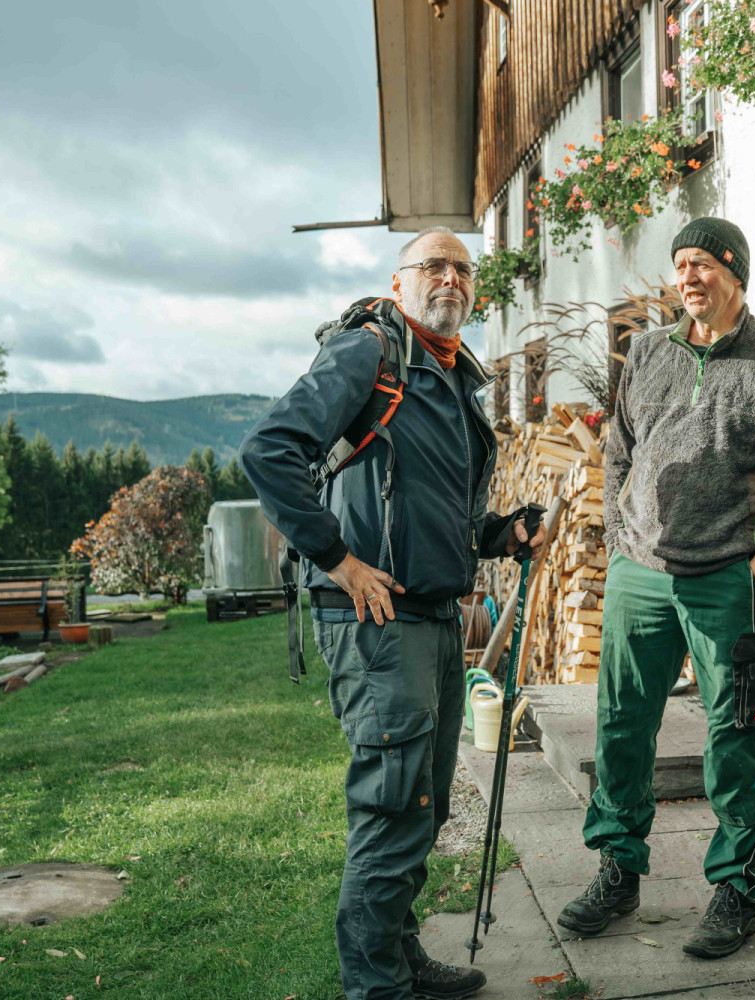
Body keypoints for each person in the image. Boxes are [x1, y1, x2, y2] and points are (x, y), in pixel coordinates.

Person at [241, 226, 545, 1000]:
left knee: (425, 801)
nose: (450, 277)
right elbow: (269, 450)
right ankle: (374, 987)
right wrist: (337, 561)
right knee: (393, 800)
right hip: (378, 623)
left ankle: (400, 955)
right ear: (401, 279)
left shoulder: (446, 373)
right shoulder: (370, 352)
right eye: (433, 265)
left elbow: (430, 508)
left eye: (462, 268)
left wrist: (498, 535)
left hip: (432, 617)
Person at [558, 217, 755, 959]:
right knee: (620, 728)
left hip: (728, 579)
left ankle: (737, 888)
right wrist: (621, 540)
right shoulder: (648, 351)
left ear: (735, 274)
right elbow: (618, 451)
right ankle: (618, 868)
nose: (690, 277)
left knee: (734, 736)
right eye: (681, 265)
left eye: (705, 264)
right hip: (640, 578)